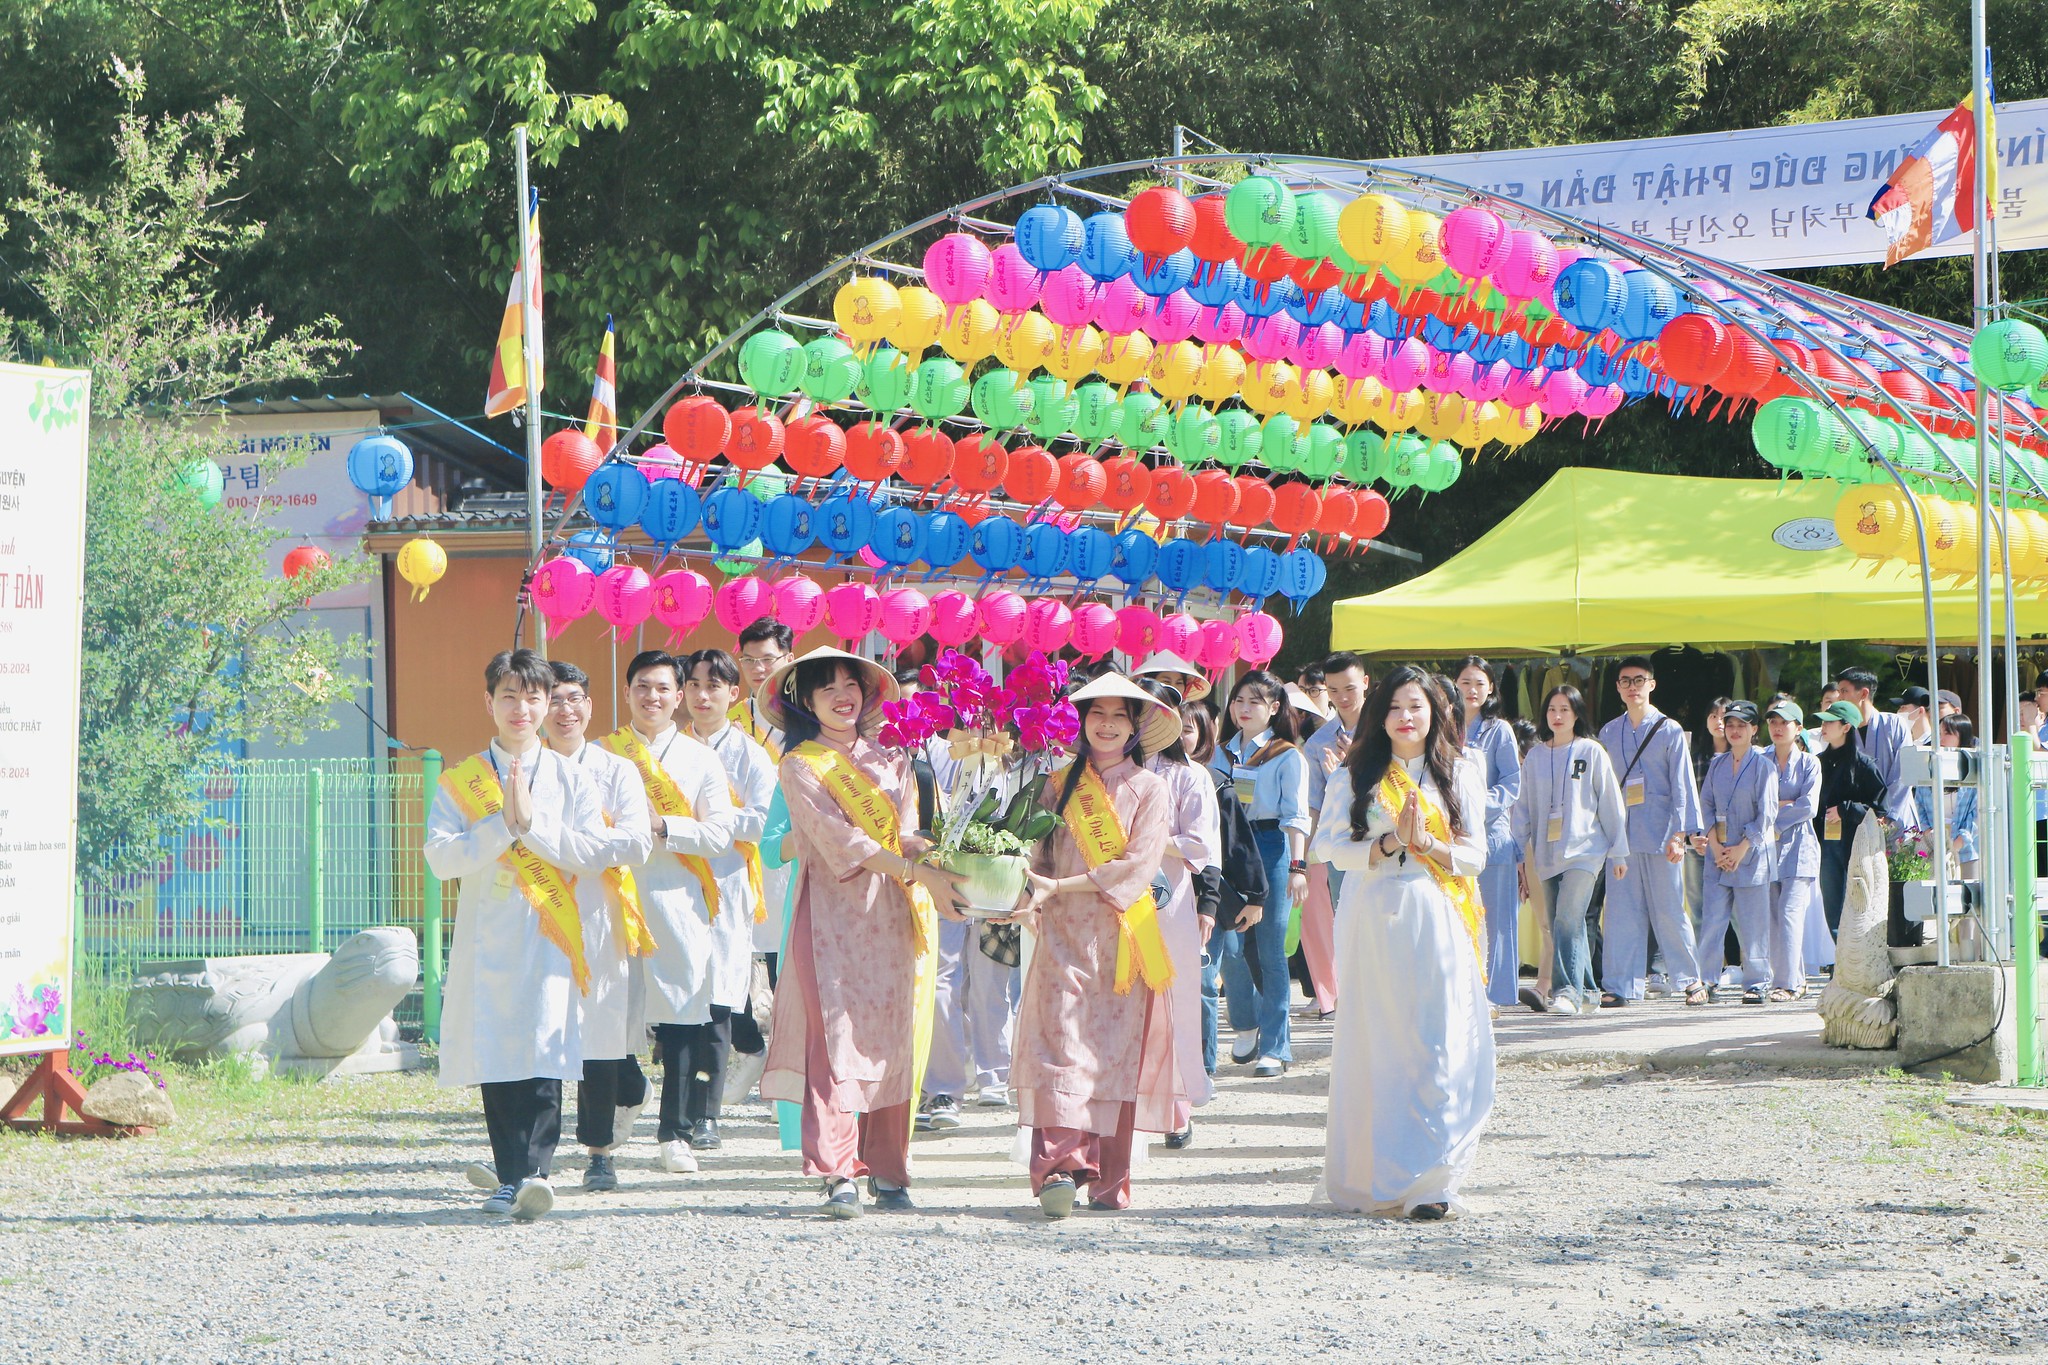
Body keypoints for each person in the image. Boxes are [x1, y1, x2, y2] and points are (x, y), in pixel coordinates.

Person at [756, 647, 963, 1219]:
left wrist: (943, 850)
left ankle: (890, 1169)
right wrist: (910, 865)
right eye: (828, 689)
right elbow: (840, 843)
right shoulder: (799, 765)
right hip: (828, 918)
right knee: (833, 1041)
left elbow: (905, 833)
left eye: (852, 684)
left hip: (891, 914)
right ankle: (837, 1170)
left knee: (890, 1038)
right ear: (805, 701)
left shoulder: (895, 760)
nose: (843, 696)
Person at [425, 648, 612, 1222]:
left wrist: (533, 829)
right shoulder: (461, 782)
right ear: (489, 701)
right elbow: (440, 859)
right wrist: (500, 824)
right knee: (496, 1047)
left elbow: (592, 850)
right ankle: (512, 1174)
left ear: (547, 703)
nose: (522, 707)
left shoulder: (571, 776)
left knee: (545, 1045)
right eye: (510, 695)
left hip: (549, 930)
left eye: (534, 696)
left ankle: (535, 1172)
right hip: (487, 935)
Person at [1312, 664, 1492, 1220]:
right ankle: (1387, 1178)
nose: (1405, 717)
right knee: (1382, 1042)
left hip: (1438, 912)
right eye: (1394, 707)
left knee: (1439, 1040)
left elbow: (1476, 856)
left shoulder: (1461, 771)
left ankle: (1434, 1181)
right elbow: (1327, 847)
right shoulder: (1354, 774)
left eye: (1416, 706)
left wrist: (1431, 845)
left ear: (1436, 710)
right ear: (1378, 714)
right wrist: (1389, 843)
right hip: (1374, 915)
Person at [1011, 674, 1182, 1218]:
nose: (1106, 725)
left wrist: (1058, 886)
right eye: (1096, 714)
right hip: (1061, 934)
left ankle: (1110, 1179)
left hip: (1121, 939)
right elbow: (1034, 855)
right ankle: (1060, 1169)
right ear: (1081, 722)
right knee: (1060, 1046)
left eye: (1119, 717)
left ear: (1135, 728)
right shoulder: (1057, 784)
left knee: (1113, 1054)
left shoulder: (1152, 790)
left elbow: (1138, 864)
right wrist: (1022, 888)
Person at [600, 650, 739, 1177]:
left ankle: (674, 1131)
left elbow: (720, 834)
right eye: (641, 686)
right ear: (628, 691)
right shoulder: (603, 754)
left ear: (678, 696)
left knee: (682, 1016)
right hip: (615, 897)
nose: (651, 697)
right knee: (611, 1009)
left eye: (662, 688)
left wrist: (665, 828)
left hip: (679, 898)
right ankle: (627, 1090)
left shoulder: (702, 759)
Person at [544, 661, 655, 1192]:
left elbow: (637, 841)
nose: (565, 710)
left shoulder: (617, 770)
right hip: (537, 911)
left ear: (590, 706)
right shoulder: (524, 770)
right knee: (539, 1030)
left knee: (601, 1033)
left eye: (574, 699)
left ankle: (598, 1149)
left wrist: (571, 849)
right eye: (554, 700)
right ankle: (532, 1152)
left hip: (599, 913)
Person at [674, 648, 774, 1151]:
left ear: (735, 694)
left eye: (714, 686)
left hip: (728, 883)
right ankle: (675, 1110)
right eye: (693, 685)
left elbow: (763, 820)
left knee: (718, 996)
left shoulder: (751, 754)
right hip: (673, 884)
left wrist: (707, 822)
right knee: (677, 998)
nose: (703, 696)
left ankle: (707, 1113)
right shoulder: (665, 751)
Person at [1211, 669, 1310, 1077]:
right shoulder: (1221, 752)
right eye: (1238, 700)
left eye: (1254, 701)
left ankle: (1275, 1046)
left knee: (1269, 950)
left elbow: (1296, 817)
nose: (1244, 708)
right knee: (1231, 949)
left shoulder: (1287, 755)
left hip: (1270, 846)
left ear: (1273, 708)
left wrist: (1297, 867)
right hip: (1229, 848)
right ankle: (1247, 1022)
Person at [1137, 677, 1220, 1152]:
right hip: (1107, 899)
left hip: (1166, 902)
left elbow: (1201, 845)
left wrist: (1146, 839)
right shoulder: (1103, 771)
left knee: (1170, 1003)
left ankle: (1175, 1106)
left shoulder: (1191, 777)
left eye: (1160, 713)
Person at [1510, 685, 1627, 1016]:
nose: (1557, 716)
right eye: (1551, 709)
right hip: (1547, 854)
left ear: (1577, 714)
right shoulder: (1534, 757)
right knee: (1561, 922)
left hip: (1586, 851)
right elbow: (1523, 809)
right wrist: (1518, 852)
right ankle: (1589, 992)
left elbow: (1611, 803)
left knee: (1567, 919)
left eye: (1564, 709)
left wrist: (1618, 851)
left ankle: (1567, 992)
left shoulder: (1591, 752)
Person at [1598, 656, 1704, 1006]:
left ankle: (1690, 981)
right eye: (1626, 681)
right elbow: (1602, 789)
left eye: (1639, 680)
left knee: (1670, 910)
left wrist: (1681, 834)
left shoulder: (1669, 729)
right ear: (1617, 687)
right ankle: (1619, 986)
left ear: (1652, 684)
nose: (1632, 687)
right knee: (1620, 914)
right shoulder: (1608, 733)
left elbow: (1683, 786)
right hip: (1622, 838)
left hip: (1662, 835)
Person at [1185, 701, 1269, 1080]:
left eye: (1188, 728)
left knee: (1204, 979)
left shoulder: (1216, 783)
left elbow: (1237, 845)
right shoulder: (1145, 779)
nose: (1179, 735)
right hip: (1160, 898)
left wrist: (1255, 896)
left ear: (1205, 734)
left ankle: (1203, 1066)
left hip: (1209, 898)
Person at [1694, 701, 1779, 1004]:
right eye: (1730, 724)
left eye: (1742, 725)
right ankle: (1706, 980)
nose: (1734, 730)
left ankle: (1757, 983)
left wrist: (1742, 848)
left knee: (1753, 923)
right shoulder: (1717, 763)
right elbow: (1704, 805)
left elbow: (1767, 814)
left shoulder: (1764, 767)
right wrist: (1716, 846)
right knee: (1713, 920)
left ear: (1754, 730)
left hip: (1751, 855)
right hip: (1717, 856)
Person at [1300, 651, 1368, 1017]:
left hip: (1388, 840)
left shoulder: (1388, 728)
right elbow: (1315, 804)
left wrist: (1353, 763)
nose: (1343, 696)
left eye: (1350, 688)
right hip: (1345, 844)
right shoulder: (1318, 743)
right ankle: (1351, 993)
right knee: (1346, 917)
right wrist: (1305, 857)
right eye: (1334, 689)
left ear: (1366, 684)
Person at [1453, 656, 1523, 1010]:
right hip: (1452, 838)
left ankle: (1497, 995)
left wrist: (1477, 804)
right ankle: (1466, 992)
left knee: (1497, 921)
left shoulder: (1500, 730)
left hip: (1492, 837)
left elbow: (1512, 782)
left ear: (1491, 688)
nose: (1472, 690)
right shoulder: (1443, 726)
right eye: (1465, 682)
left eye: (1479, 683)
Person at [734, 620, 796, 982]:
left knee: (786, 960)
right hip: (745, 852)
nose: (758, 670)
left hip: (789, 850)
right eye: (749, 660)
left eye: (768, 660)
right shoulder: (731, 720)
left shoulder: (808, 717)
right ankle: (747, 1040)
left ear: (789, 658)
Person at [1814, 699, 1888, 940]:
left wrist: (1845, 810)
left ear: (1846, 727)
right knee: (1831, 901)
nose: (1823, 727)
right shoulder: (1818, 762)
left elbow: (1879, 809)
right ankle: (1838, 959)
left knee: (1857, 899)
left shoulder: (1864, 765)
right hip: (1825, 843)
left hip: (1856, 844)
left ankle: (1855, 955)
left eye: (1830, 722)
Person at [1766, 698, 1823, 1001]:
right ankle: (1792, 980)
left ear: (1798, 728)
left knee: (1789, 914)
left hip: (1799, 848)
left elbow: (1808, 807)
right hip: (1765, 849)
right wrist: (1781, 806)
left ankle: (1786, 984)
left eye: (1784, 722)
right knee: (1774, 916)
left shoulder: (1810, 763)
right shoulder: (1760, 759)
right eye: (1773, 722)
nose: (1777, 728)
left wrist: (1774, 818)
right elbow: (1753, 803)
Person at [1835, 667, 1909, 822]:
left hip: (1897, 817)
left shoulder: (1895, 724)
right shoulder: (1844, 730)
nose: (1839, 697)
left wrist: (1886, 814)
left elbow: (1903, 775)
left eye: (1844, 691)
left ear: (1863, 693)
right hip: (1858, 820)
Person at [1917, 715, 1980, 880]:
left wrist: (1958, 843)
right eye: (1939, 733)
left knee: (1967, 898)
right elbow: (1920, 806)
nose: (1941, 738)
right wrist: (1930, 834)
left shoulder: (1975, 773)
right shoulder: (1928, 768)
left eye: (1948, 733)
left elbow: (1978, 815)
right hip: (1934, 848)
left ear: (1962, 737)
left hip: (1967, 849)